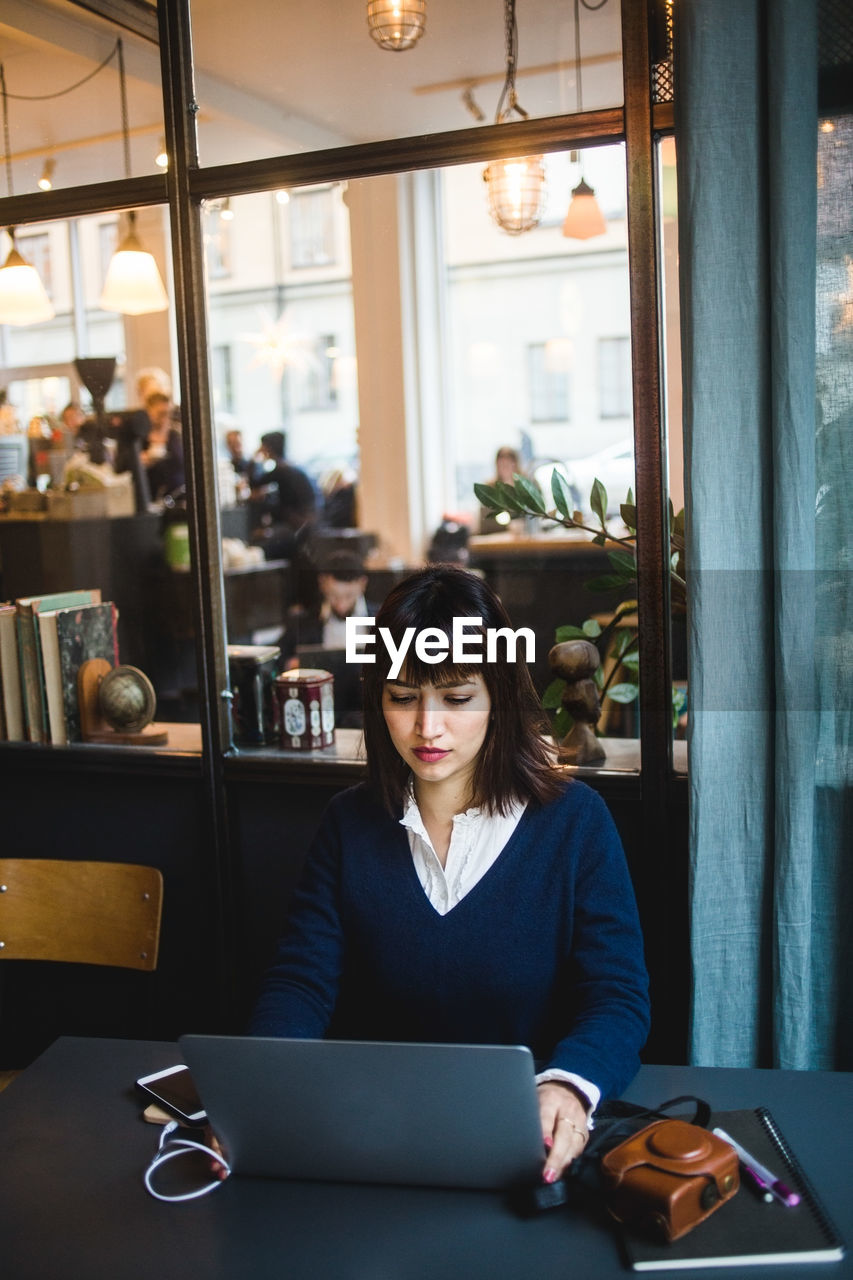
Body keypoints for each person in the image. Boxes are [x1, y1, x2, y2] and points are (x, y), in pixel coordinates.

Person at [250, 564, 650, 1184]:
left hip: (522, 1140)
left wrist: (569, 1088)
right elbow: (302, 982)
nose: (426, 728)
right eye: (403, 697)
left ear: (500, 697)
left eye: (458, 699)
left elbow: (616, 998)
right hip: (370, 1139)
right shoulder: (349, 823)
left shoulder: (575, 824)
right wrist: (260, 1091)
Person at [140, 391, 185, 500]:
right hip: (151, 498)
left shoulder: (176, 436)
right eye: (161, 414)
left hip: (179, 497)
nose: (165, 419)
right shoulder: (140, 439)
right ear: (148, 412)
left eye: (168, 414)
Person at [479, 445, 527, 534]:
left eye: (509, 463)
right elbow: (486, 520)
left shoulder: (527, 487)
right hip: (496, 536)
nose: (505, 467)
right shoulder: (489, 488)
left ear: (516, 464)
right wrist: (508, 525)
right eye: (502, 464)